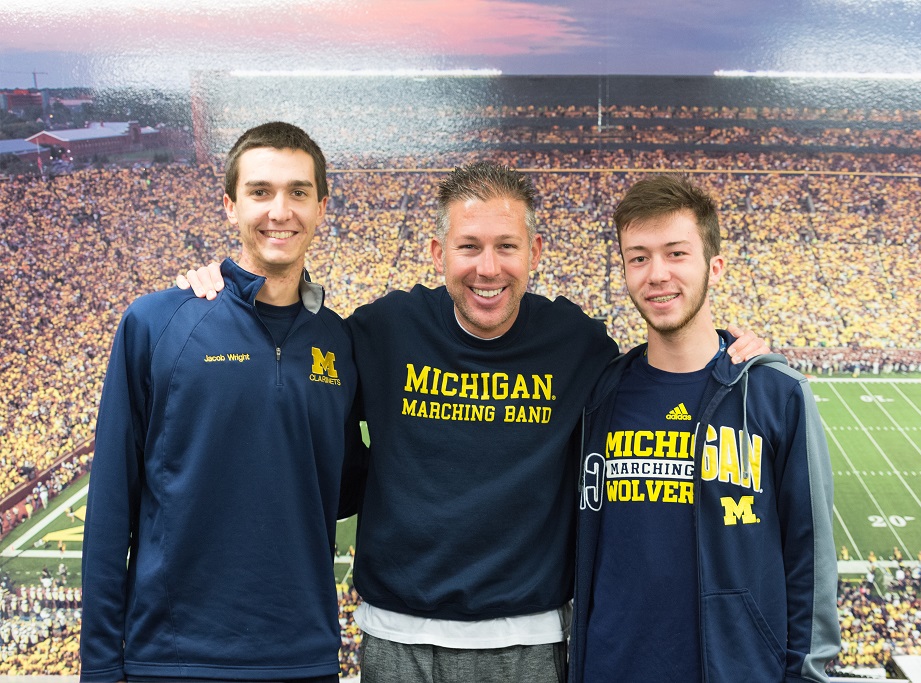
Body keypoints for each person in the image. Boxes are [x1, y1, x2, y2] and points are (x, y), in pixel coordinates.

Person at [179, 162, 768, 682]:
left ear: (535, 253)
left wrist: (727, 346)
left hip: (529, 641)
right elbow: (285, 371)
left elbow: (663, 373)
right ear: (439, 254)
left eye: (507, 247)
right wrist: (223, 291)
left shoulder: (578, 344)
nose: (489, 268)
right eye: (469, 247)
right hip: (397, 637)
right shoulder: (383, 330)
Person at [80, 122, 359, 682]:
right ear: (229, 205)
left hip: (303, 657)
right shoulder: (157, 322)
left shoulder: (340, 339)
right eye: (260, 191)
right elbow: (111, 507)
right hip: (174, 659)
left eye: (298, 192)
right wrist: (101, 669)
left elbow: (350, 483)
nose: (280, 210)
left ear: (322, 207)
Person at [570, 175, 839, 682]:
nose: (657, 274)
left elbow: (810, 558)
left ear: (714, 266)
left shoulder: (775, 395)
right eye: (639, 257)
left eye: (676, 253)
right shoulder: (599, 395)